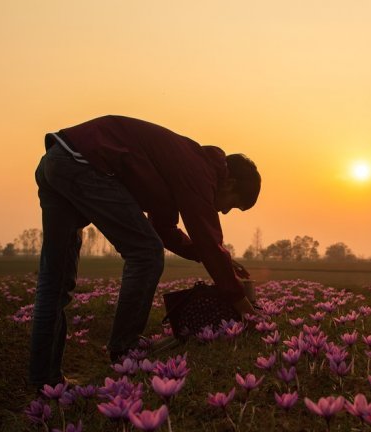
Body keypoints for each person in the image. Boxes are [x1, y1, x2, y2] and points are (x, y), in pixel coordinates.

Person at [29, 115, 260, 389]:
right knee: (146, 254)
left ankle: (46, 381)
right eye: (232, 206)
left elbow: (164, 229)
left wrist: (210, 256)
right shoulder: (200, 171)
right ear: (230, 184)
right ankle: (126, 349)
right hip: (83, 162)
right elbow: (208, 239)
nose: (223, 211)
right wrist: (245, 308)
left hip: (57, 159)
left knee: (55, 282)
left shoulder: (182, 163)